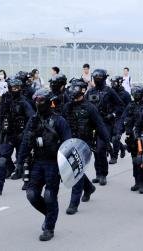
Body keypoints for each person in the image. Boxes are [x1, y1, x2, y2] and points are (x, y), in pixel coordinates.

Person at [18, 88, 71, 241]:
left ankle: (49, 227)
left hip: (53, 164)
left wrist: (66, 168)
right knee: (31, 195)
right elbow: (25, 144)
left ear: (49, 102)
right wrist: (20, 163)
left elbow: (68, 144)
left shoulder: (59, 121)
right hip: (37, 163)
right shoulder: (33, 120)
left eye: (41, 100)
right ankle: (50, 215)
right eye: (36, 100)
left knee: (49, 196)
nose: (38, 103)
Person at [63, 81, 110, 215]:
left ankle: (73, 203)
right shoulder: (67, 107)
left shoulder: (90, 108)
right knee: (73, 171)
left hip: (85, 144)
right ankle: (88, 188)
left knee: (76, 172)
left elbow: (100, 126)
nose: (73, 90)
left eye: (76, 88)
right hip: (69, 143)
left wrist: (108, 143)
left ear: (83, 90)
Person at [0, 78, 35, 195]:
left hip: (21, 136)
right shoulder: (4, 100)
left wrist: (26, 134)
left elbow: (32, 118)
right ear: (9, 88)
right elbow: (0, 117)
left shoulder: (24, 102)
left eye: (18, 87)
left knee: (25, 160)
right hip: (8, 135)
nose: (16, 90)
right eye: (13, 87)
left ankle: (28, 183)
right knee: (2, 159)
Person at [86, 69, 124, 185]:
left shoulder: (109, 91)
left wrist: (112, 115)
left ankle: (103, 174)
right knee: (95, 150)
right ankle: (98, 173)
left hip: (105, 123)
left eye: (99, 78)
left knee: (101, 148)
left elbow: (120, 105)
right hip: (92, 124)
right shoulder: (90, 91)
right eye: (95, 78)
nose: (97, 80)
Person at [115, 87, 143, 193]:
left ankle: (142, 183)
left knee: (141, 160)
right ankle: (137, 182)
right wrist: (119, 132)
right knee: (135, 160)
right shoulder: (130, 106)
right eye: (134, 94)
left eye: (137, 94)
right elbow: (122, 119)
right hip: (131, 138)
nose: (136, 96)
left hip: (142, 138)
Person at [110, 76, 131, 164]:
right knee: (110, 138)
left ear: (119, 83)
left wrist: (127, 119)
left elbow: (130, 107)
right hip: (111, 118)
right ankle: (122, 148)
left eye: (114, 83)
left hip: (121, 118)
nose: (112, 84)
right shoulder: (110, 92)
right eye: (112, 82)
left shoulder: (125, 94)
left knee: (116, 137)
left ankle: (114, 157)